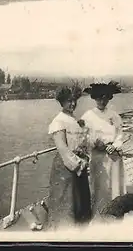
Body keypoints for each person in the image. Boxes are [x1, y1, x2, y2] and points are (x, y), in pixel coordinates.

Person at [46, 86, 92, 230]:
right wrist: (78, 164)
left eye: (74, 101)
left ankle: (79, 229)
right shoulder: (58, 121)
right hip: (66, 166)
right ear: (62, 102)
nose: (72, 104)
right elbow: (63, 149)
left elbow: (80, 143)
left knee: (80, 200)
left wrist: (85, 158)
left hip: (79, 164)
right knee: (66, 200)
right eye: (68, 101)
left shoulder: (72, 119)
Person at [81, 81, 126, 216]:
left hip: (113, 154)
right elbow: (83, 136)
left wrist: (115, 145)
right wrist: (94, 142)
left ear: (109, 98)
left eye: (105, 98)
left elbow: (120, 134)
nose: (102, 101)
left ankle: (116, 209)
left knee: (115, 183)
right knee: (100, 185)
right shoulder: (88, 116)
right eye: (99, 98)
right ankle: (99, 211)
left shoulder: (114, 115)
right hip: (98, 155)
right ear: (94, 98)